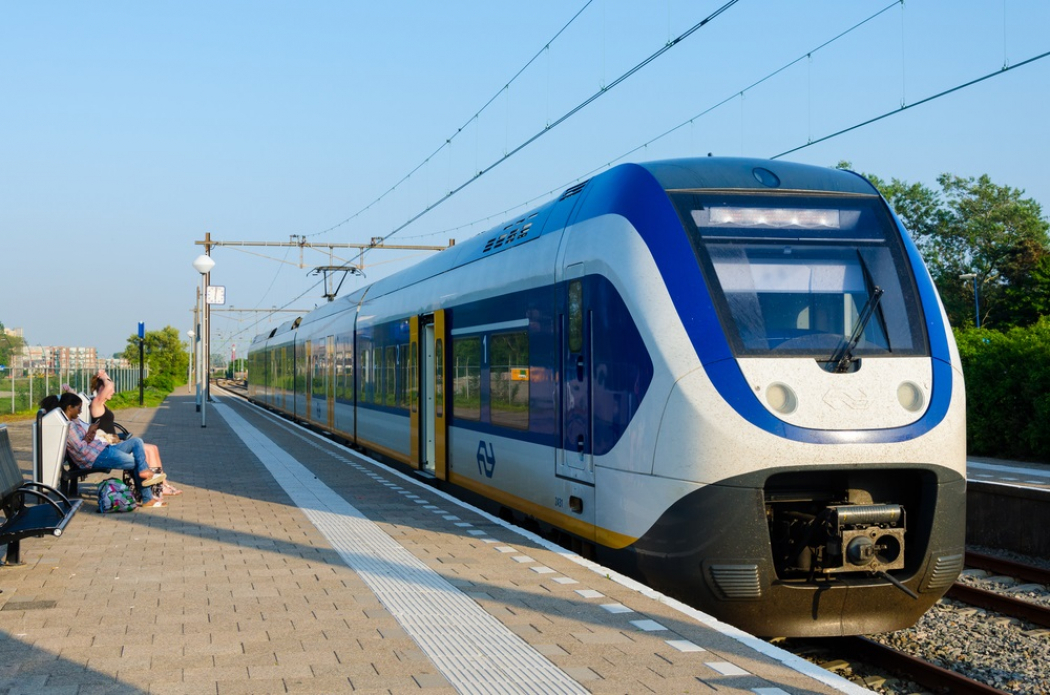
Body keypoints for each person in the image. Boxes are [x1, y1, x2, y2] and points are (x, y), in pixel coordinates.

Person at [55, 392, 167, 508]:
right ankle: (147, 497)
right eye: (78, 408)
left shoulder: (75, 421)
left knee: (137, 441)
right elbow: (81, 449)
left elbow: (83, 441)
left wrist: (92, 432)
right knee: (137, 462)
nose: (80, 412)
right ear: (69, 407)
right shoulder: (69, 427)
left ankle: (144, 472)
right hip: (96, 457)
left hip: (102, 449)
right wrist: (89, 434)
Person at [89, 370, 182, 497]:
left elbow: (109, 387)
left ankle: (163, 484)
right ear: (102, 388)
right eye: (110, 390)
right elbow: (109, 386)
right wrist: (104, 376)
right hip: (110, 448)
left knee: (153, 448)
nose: (113, 391)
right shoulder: (96, 404)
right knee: (148, 450)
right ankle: (159, 488)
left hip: (115, 443)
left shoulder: (101, 404)